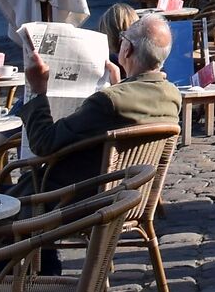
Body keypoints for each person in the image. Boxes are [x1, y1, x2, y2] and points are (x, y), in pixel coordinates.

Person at [14, 14, 183, 190]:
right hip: (125, 198)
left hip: (66, 201)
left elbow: (43, 143)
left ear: (127, 50)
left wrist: (38, 90)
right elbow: (132, 106)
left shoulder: (107, 101)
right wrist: (120, 85)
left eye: (123, 38)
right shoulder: (172, 96)